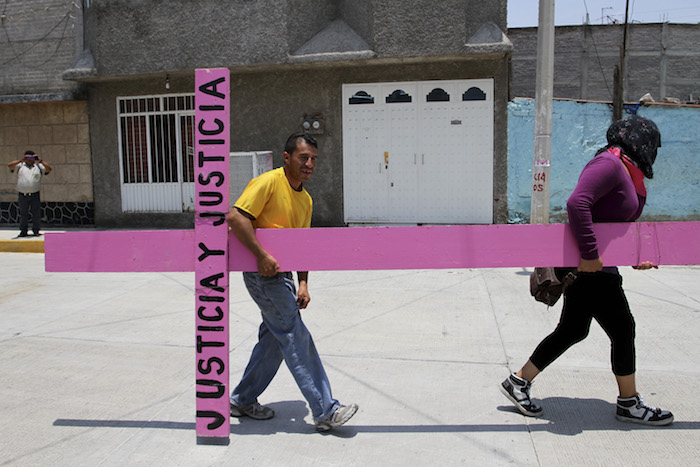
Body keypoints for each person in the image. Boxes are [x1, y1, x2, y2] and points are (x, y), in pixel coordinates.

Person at [500, 115, 674, 426]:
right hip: (589, 267)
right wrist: (592, 254)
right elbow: (577, 204)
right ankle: (629, 403)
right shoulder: (608, 164)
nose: (653, 151)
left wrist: (635, 255)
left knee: (573, 330)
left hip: (602, 266)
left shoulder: (629, 172)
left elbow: (617, 225)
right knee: (622, 328)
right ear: (638, 141)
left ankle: (518, 381)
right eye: (651, 144)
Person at [226, 132, 358, 432]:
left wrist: (303, 283)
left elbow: (303, 245)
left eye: (313, 159)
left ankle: (242, 399)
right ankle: (325, 410)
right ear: (287, 157)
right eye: (303, 158)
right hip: (264, 277)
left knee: (275, 340)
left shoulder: (306, 199)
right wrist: (260, 255)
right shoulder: (269, 182)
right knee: (296, 337)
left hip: (283, 278)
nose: (309, 164)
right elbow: (236, 218)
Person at [7, 150, 52, 237]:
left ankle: (36, 230)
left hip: (34, 194)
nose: (29, 160)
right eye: (27, 158)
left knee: (36, 212)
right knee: (23, 213)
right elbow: (9, 165)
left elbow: (49, 169)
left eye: (31, 158)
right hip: (22, 194)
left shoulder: (39, 166)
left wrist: (40, 160)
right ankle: (23, 230)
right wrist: (21, 160)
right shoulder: (20, 166)